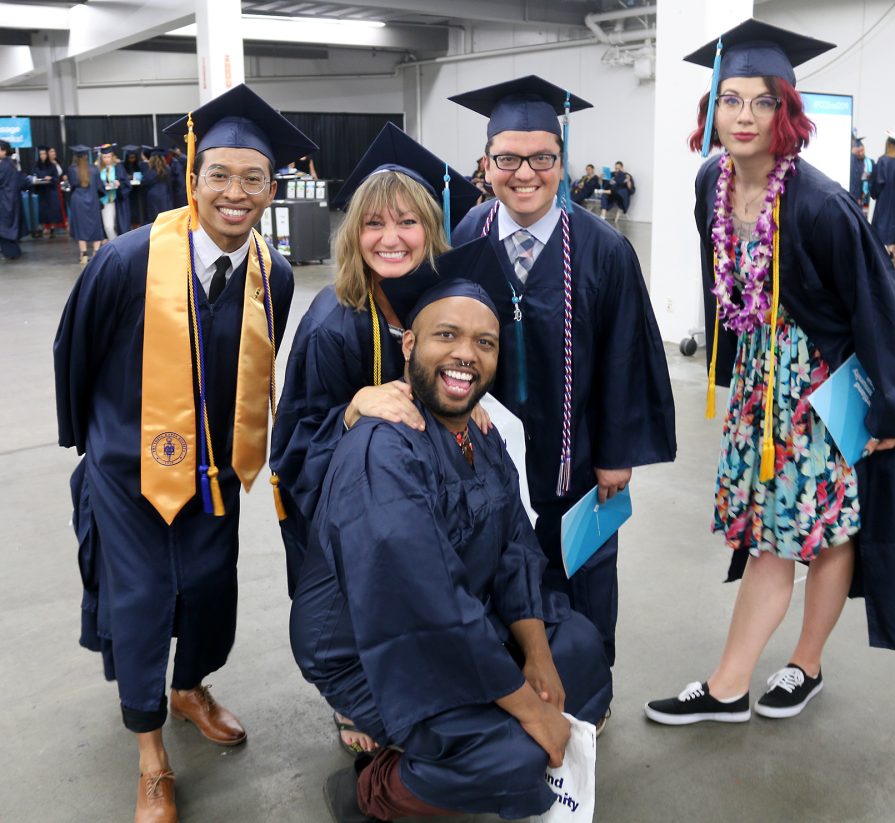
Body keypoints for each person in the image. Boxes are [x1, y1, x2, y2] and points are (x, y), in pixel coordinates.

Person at [644, 19, 895, 727]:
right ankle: (771, 673)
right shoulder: (711, 181)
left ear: (787, 112)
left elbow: (884, 306)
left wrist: (892, 409)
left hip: (823, 389)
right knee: (784, 528)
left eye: (762, 101)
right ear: (712, 109)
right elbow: (729, 289)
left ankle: (756, 676)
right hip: (758, 383)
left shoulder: (820, 202)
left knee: (812, 531)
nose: (744, 116)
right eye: (731, 99)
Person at [54, 83, 315, 823]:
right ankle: (150, 754)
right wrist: (95, 447)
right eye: (220, 175)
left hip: (217, 473)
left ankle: (189, 685)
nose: (236, 193)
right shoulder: (127, 260)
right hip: (129, 472)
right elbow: (76, 350)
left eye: (253, 179)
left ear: (272, 188)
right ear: (192, 177)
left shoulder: (277, 274)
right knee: (140, 600)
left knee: (206, 587)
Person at [290, 270, 613, 823]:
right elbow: (424, 603)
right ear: (410, 345)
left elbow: (515, 548)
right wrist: (528, 709)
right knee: (510, 755)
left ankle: (456, 740)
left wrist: (536, 658)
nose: (465, 354)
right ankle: (372, 791)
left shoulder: (480, 435)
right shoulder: (383, 450)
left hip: (465, 619)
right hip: (371, 646)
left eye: (483, 343)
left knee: (578, 650)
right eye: (446, 335)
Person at [450, 75, 676, 680]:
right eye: (507, 159)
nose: (525, 173)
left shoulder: (604, 249)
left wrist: (616, 453)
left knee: (585, 568)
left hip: (580, 459)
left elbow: (629, 356)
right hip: (491, 456)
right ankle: (511, 681)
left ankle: (589, 685)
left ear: (562, 159)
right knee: (499, 563)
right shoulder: (468, 235)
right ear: (487, 161)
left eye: (543, 158)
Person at [270, 122, 478, 754]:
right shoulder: (333, 322)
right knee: (357, 614)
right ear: (353, 234)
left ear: (432, 230)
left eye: (408, 223)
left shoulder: (442, 306)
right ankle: (353, 700)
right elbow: (295, 445)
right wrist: (352, 411)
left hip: (417, 502)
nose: (391, 239)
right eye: (374, 225)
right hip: (341, 512)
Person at [66, 145, 106, 265]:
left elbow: (72, 185)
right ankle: (96, 252)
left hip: (78, 201)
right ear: (86, 156)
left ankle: (83, 254)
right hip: (93, 200)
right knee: (95, 226)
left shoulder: (72, 169)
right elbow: (100, 187)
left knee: (80, 227)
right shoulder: (94, 169)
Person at [98, 144, 132, 241]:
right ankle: (115, 244)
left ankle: (120, 245)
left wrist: (119, 183)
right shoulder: (99, 169)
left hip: (118, 200)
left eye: (108, 156)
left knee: (121, 226)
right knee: (108, 226)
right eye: (104, 157)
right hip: (105, 201)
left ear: (112, 156)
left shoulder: (118, 167)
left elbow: (127, 184)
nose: (107, 159)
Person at [0, 140, 26, 260]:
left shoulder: (4, 164)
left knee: (4, 227)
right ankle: (12, 251)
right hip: (10, 198)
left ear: (4, 151)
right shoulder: (10, 163)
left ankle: (12, 252)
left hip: (5, 200)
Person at [32, 145, 63, 237]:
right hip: (42, 191)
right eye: (41, 154)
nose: (42, 156)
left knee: (52, 210)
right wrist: (37, 180)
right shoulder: (36, 166)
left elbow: (57, 178)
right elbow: (33, 176)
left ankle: (52, 228)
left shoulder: (52, 165)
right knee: (43, 210)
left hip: (51, 190)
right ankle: (42, 228)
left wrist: (51, 178)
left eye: (44, 154)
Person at [140, 146, 174, 224]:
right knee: (165, 220)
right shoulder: (167, 169)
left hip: (153, 198)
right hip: (165, 196)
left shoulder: (151, 171)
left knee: (154, 221)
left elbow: (144, 182)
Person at [848, 132, 873, 213]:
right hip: (852, 196)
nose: (861, 153)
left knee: (864, 218)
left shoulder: (870, 162)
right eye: (858, 151)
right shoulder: (851, 162)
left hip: (865, 197)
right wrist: (852, 154)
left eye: (862, 150)